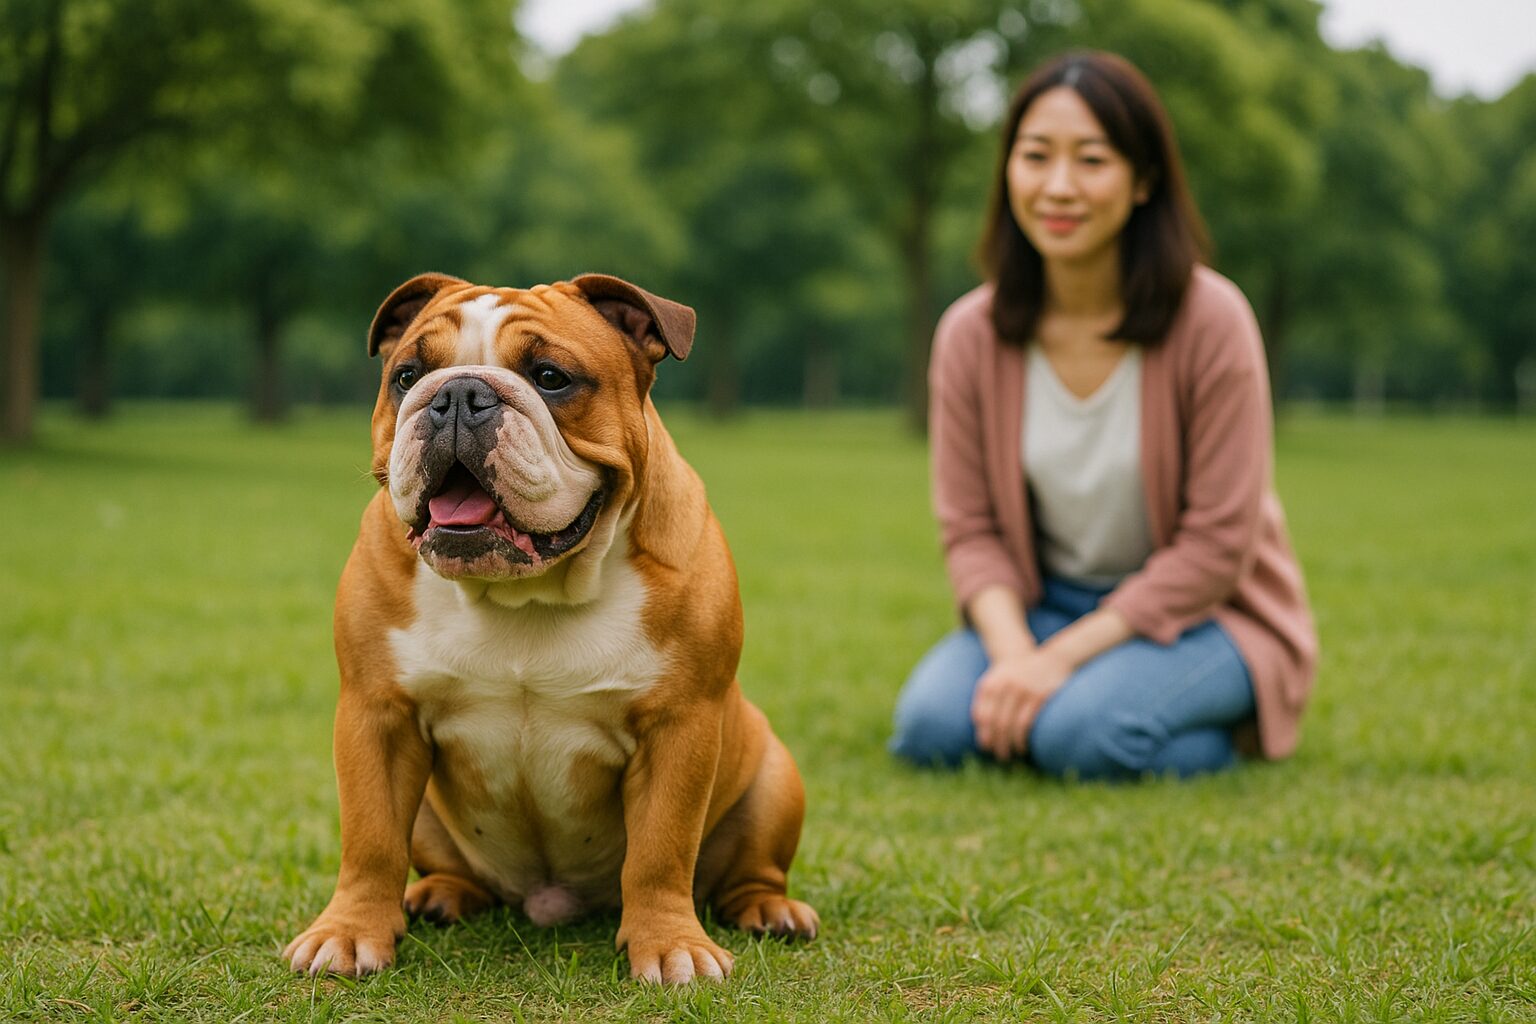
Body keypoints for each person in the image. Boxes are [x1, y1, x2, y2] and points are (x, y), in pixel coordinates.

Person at [890, 51, 1317, 779]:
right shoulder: (970, 334)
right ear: (1008, 171)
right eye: (1035, 156)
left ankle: (1227, 720)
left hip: (1213, 615)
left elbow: (1218, 546)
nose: (1059, 186)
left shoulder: (1212, 320)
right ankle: (1088, 711)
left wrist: (1058, 662)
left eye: (1091, 160)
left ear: (1144, 180)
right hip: (1047, 603)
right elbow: (971, 530)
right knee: (931, 728)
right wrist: (1017, 658)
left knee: (1078, 737)